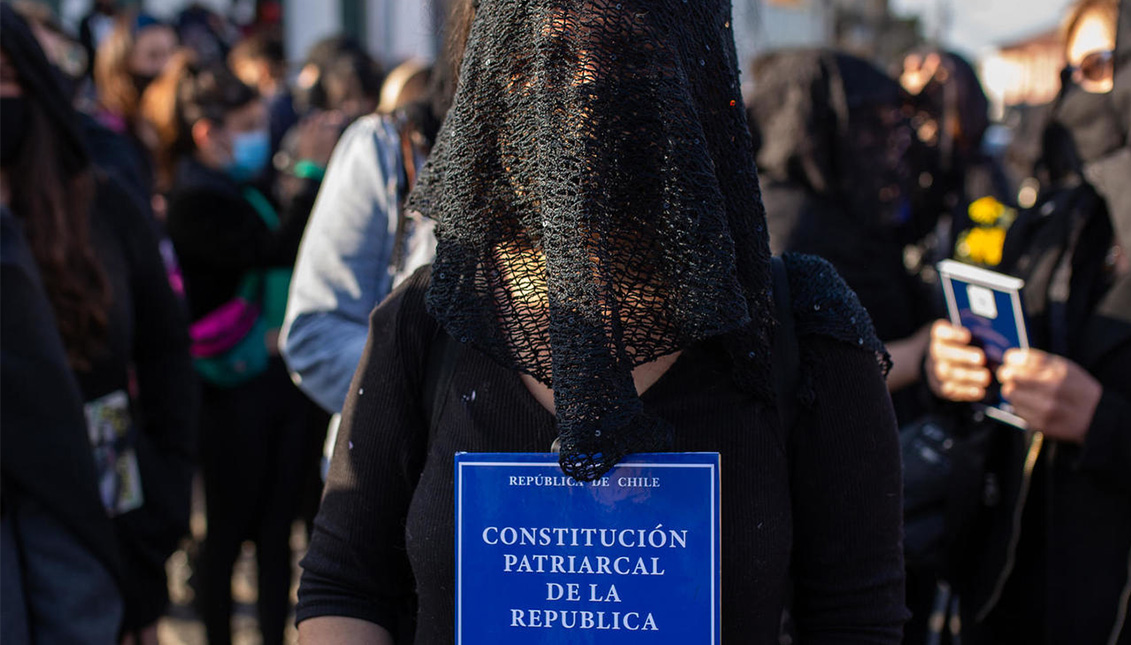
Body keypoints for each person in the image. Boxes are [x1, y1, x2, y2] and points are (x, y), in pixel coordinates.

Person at [296, 1, 908, 643]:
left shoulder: (802, 328)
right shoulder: (427, 321)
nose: (588, 90)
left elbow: (855, 615)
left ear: (697, 74)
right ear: (496, 82)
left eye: (629, 58)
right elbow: (347, 584)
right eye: (549, 61)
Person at [924, 0, 1130, 642]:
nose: (1081, 95)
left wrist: (1105, 424)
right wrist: (954, 366)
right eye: (1072, 72)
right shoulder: (1058, 218)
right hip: (1014, 586)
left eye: (1103, 65)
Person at [0, 6, 198, 643]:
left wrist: (162, 505)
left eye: (4, 76)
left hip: (101, 498)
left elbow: (167, 355)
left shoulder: (102, 204)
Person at [154, 54, 335, 645]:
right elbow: (275, 248)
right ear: (207, 133)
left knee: (279, 524)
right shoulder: (195, 202)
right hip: (227, 388)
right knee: (228, 529)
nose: (260, 136)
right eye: (248, 124)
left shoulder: (239, 185)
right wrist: (309, 172)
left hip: (272, 379)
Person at [746, 49, 935, 422]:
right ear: (815, 126)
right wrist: (918, 356)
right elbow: (798, 376)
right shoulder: (791, 223)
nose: (888, 141)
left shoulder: (835, 199)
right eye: (868, 125)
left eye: (889, 123)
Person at [91, 10, 177, 201]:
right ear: (122, 64)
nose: (167, 67)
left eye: (172, 54)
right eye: (153, 56)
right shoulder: (110, 129)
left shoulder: (172, 119)